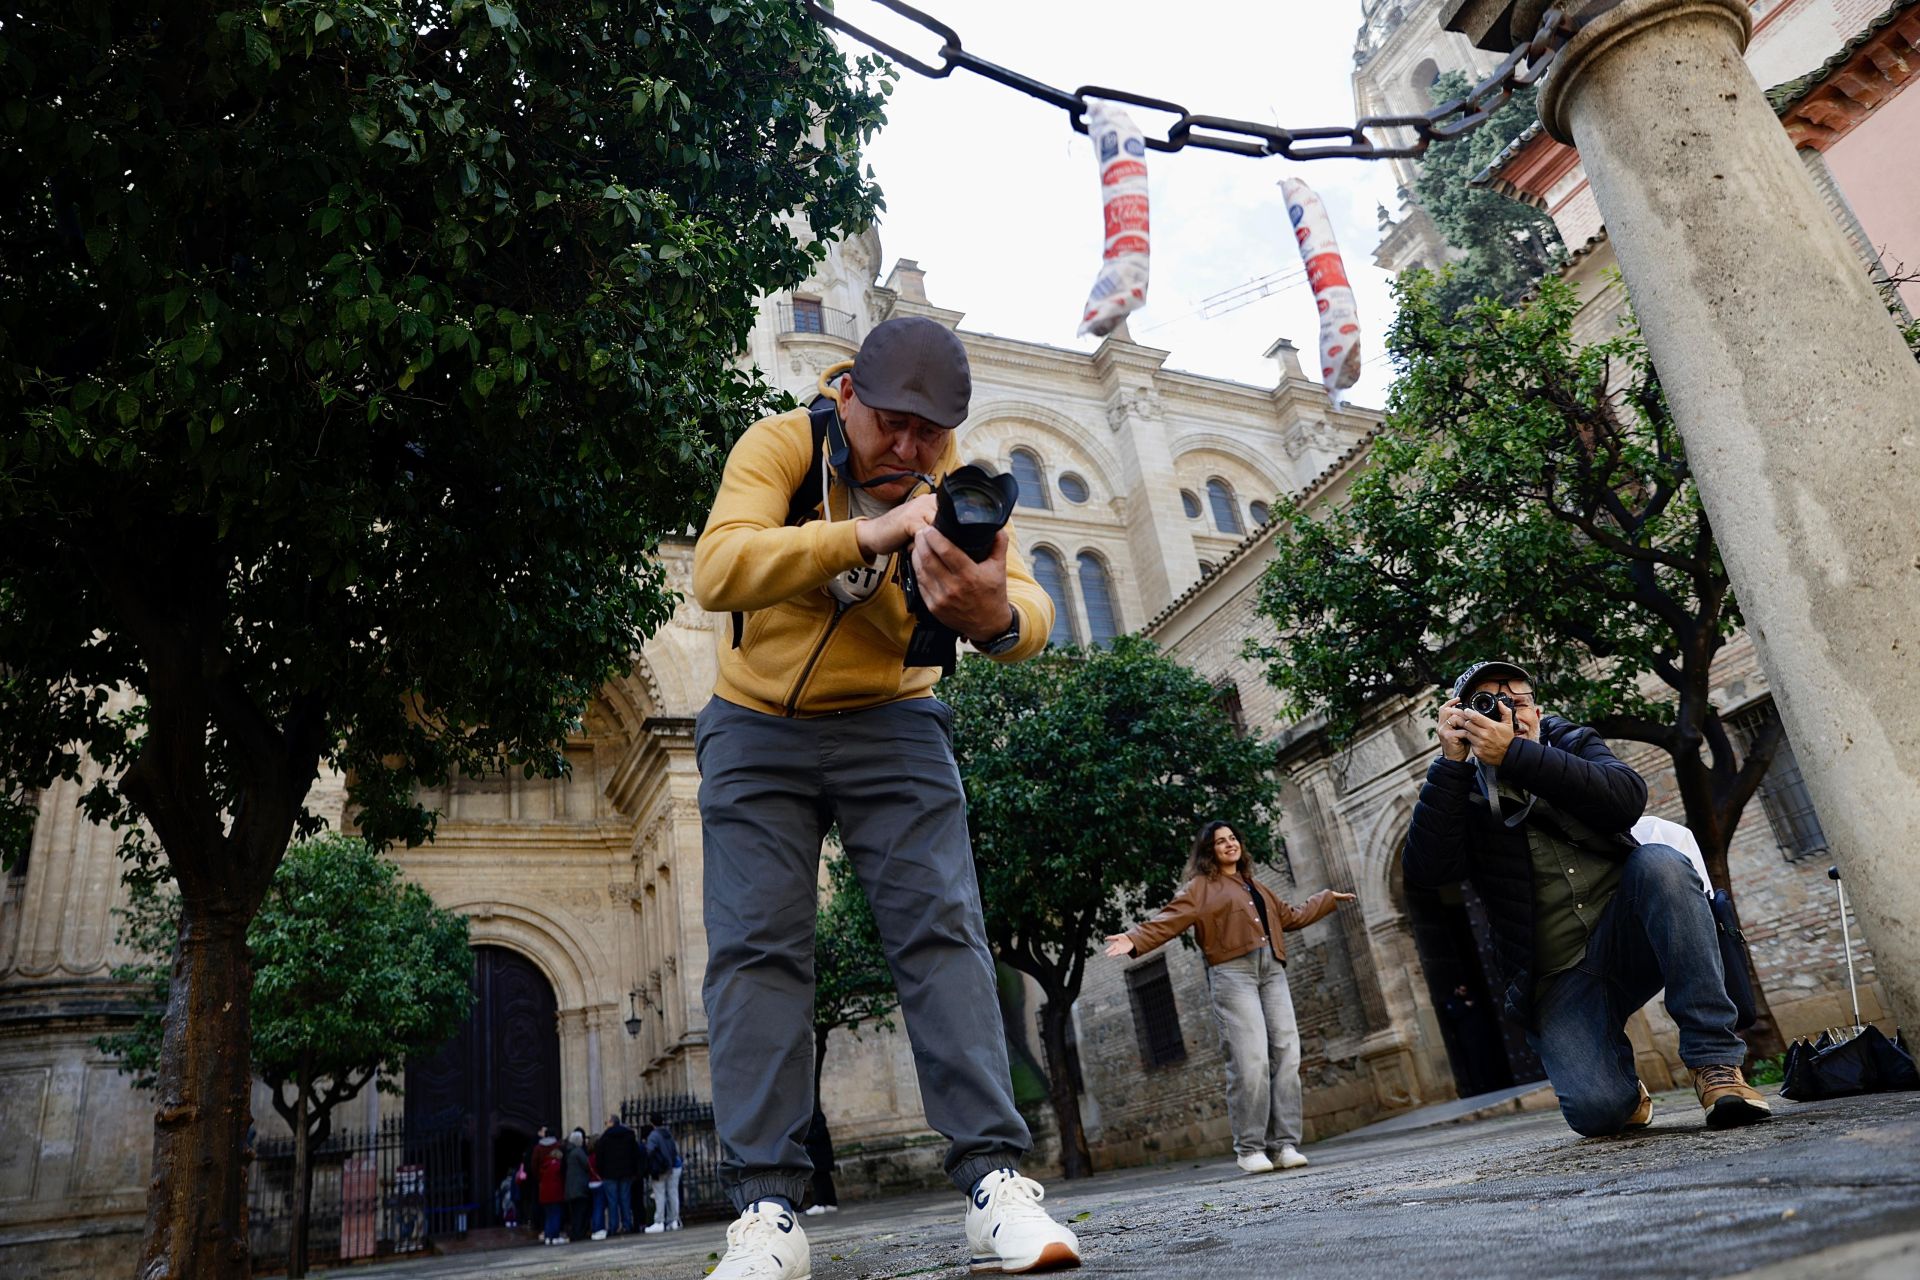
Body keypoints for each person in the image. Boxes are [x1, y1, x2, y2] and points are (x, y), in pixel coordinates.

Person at [691, 315, 1079, 1278]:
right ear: (850, 394)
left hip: (896, 726)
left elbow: (1030, 608)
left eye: (932, 433)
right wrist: (866, 532)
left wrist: (993, 619)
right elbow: (717, 566)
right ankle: (768, 1213)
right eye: (894, 424)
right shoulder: (781, 445)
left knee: (944, 933)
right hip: (753, 726)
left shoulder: (961, 491)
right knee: (755, 952)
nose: (910, 449)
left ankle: (995, 1184)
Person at [1403, 659, 1772, 1136]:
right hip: (1559, 975)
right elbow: (1428, 871)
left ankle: (1715, 1067)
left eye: (1516, 702)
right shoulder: (1462, 788)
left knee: (1660, 863)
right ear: (1460, 716)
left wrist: (1516, 755)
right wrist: (1451, 765)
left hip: (1630, 935)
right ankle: (1619, 1084)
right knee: (1599, 1114)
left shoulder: (1572, 743)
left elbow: (1626, 798)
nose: (1506, 713)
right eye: (1487, 705)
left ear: (1537, 710)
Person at [1104, 820, 1353, 1173]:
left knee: (1286, 1053)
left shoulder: (1257, 886)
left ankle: (1284, 1145)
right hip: (1233, 975)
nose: (1229, 844)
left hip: (1272, 973)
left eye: (1233, 838)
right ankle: (1250, 1148)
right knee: (1251, 1060)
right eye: (1220, 841)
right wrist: (1135, 939)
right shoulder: (1200, 889)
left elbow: (1291, 917)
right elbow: (1169, 919)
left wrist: (1326, 899)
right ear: (1209, 851)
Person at [596, 1113, 641, 1235]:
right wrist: (634, 1171)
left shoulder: (604, 1138)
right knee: (625, 1199)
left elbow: (599, 1157)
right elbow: (635, 1154)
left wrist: (601, 1172)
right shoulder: (629, 1135)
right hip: (626, 1173)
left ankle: (613, 1226)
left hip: (609, 1174)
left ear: (611, 1123)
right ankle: (627, 1224)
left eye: (607, 1122)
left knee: (612, 1201)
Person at [643, 1113, 683, 1234]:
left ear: (652, 1123)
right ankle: (674, 1220)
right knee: (673, 1193)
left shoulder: (653, 1136)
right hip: (674, 1166)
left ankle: (659, 1221)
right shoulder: (668, 1133)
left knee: (659, 1195)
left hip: (661, 1169)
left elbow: (649, 1152)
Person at [802, 1108, 838, 1216]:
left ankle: (820, 1203)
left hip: (819, 1153)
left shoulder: (814, 1115)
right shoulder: (813, 1114)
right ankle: (830, 1202)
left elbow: (818, 1134)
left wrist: (804, 1137)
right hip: (819, 1153)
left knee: (820, 1179)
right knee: (823, 1178)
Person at [533, 1128, 566, 1245]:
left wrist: (540, 1179)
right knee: (556, 1214)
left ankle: (548, 1236)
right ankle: (555, 1236)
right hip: (556, 1191)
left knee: (548, 1215)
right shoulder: (557, 1148)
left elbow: (534, 1166)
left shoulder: (539, 1151)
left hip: (544, 1189)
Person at [563, 1127, 592, 1242]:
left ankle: (575, 1233)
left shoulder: (569, 1152)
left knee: (575, 1213)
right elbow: (587, 1165)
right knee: (580, 1212)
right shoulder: (578, 1152)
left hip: (571, 1188)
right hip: (579, 1188)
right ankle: (578, 1233)